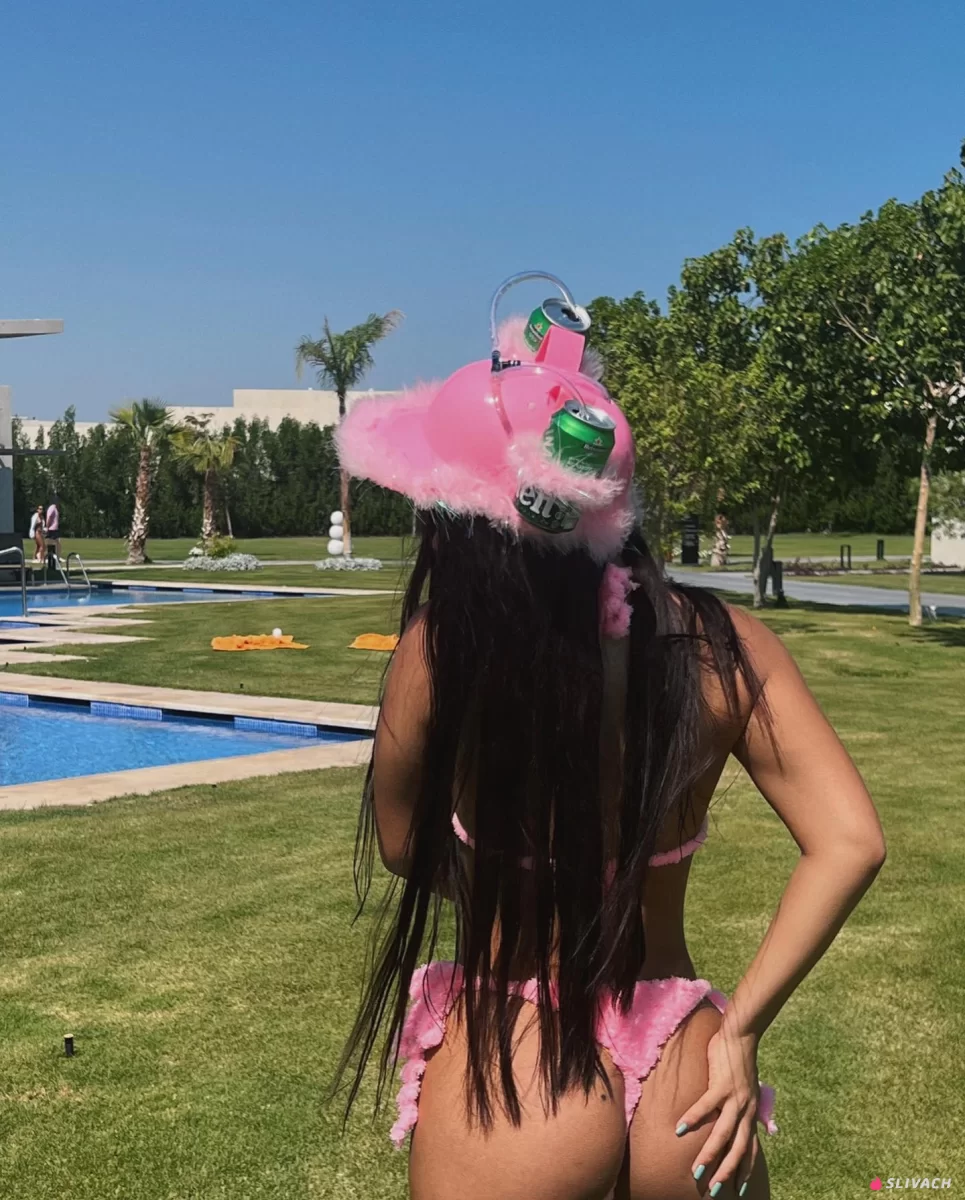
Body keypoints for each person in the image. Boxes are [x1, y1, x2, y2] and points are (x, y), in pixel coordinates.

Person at [335, 288, 886, 1200]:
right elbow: (851, 842)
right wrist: (741, 1030)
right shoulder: (723, 647)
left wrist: (513, 879)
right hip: (683, 1066)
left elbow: (401, 845)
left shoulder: (442, 653)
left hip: (513, 1062)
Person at [45, 494, 61, 567]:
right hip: (52, 529)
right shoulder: (52, 508)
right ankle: (51, 562)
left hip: (55, 529)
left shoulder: (56, 508)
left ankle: (54, 561)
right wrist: (47, 527)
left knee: (55, 545)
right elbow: (49, 517)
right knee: (51, 546)